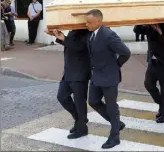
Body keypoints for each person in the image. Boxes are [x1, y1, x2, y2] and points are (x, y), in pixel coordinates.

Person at [85, 9, 131, 149]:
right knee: (93, 101)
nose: (86, 24)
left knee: (112, 107)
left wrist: (116, 65)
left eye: (89, 22)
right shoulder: (91, 34)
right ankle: (117, 123)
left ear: (99, 22)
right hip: (96, 76)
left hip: (109, 77)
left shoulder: (109, 35)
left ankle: (115, 136)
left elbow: (125, 52)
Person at [44, 28, 91, 139]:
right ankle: (80, 120)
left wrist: (64, 38)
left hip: (80, 72)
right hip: (69, 71)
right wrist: (58, 36)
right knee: (62, 96)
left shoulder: (87, 30)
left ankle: (82, 128)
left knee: (80, 102)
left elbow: (80, 47)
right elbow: (70, 43)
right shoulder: (74, 29)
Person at [143, 23, 164, 123]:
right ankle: (161, 104)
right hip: (152, 60)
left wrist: (159, 31)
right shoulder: (148, 25)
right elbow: (137, 31)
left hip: (163, 61)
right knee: (148, 84)